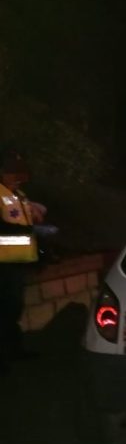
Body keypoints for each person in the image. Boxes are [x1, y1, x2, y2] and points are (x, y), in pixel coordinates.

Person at [0, 149, 42, 369]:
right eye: (12, 172)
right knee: (5, 310)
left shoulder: (19, 195)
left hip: (18, 264)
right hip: (3, 266)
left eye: (20, 172)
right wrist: (27, 232)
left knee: (13, 309)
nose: (18, 177)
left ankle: (14, 351)